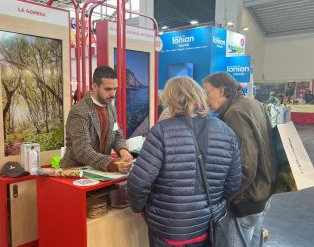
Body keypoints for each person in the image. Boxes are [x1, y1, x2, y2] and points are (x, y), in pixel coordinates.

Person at [127, 76, 242, 247]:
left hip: (168, 230)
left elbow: (138, 184)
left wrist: (141, 209)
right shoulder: (226, 131)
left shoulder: (161, 132)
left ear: (171, 100)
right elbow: (234, 183)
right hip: (209, 228)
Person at [202, 72, 277, 247]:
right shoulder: (253, 104)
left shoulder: (234, 114)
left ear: (221, 91)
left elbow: (245, 165)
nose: (205, 98)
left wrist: (228, 197)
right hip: (264, 191)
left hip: (246, 200)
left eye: (207, 92)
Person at [60, 66, 132, 172]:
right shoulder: (79, 111)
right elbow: (83, 151)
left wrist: (124, 151)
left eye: (115, 89)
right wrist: (113, 164)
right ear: (95, 87)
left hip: (100, 171)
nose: (112, 94)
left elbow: (116, 135)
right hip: (74, 172)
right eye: (108, 89)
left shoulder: (111, 109)